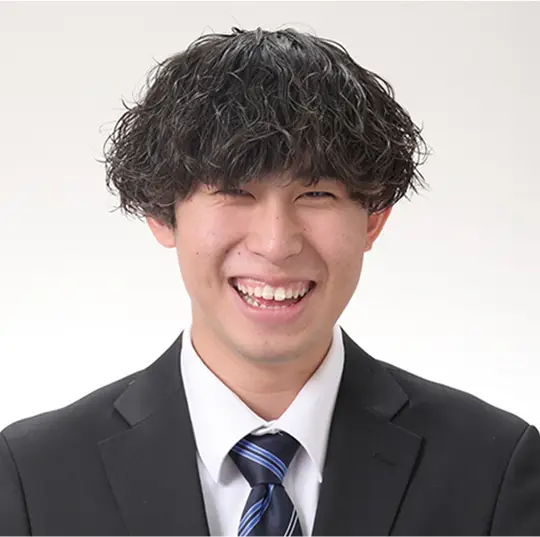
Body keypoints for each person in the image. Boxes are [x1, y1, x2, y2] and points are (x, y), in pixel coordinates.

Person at [1, 26, 539, 536]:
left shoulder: (492, 468)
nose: (276, 243)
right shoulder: (32, 475)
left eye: (317, 194)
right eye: (235, 191)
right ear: (162, 214)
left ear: (374, 219)